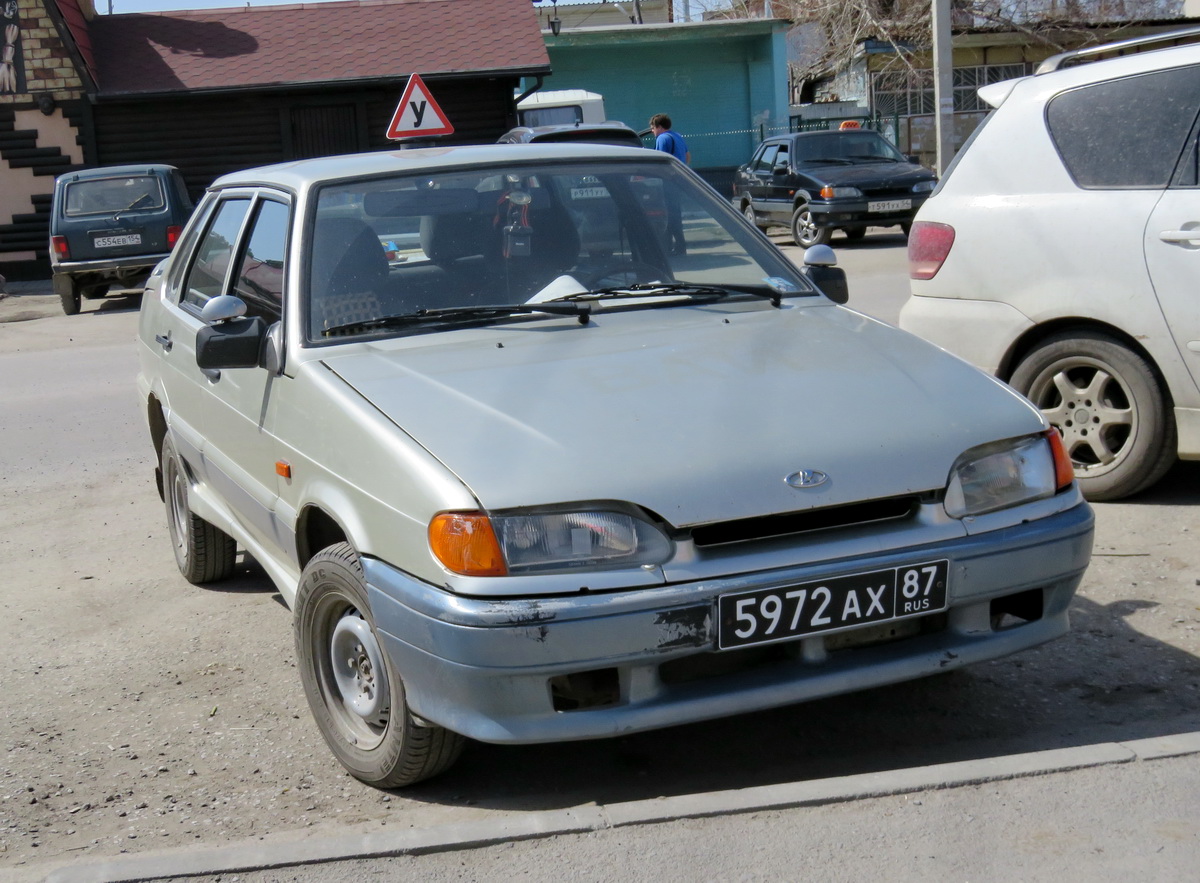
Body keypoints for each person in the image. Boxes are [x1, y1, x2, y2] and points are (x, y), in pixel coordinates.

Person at [649, 113, 689, 254]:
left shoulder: (663, 138)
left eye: (653, 128)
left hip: (667, 182)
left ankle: (671, 246)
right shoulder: (677, 136)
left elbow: (659, 161)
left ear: (659, 127)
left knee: (668, 214)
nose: (652, 131)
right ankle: (679, 244)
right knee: (674, 213)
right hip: (678, 179)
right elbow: (687, 156)